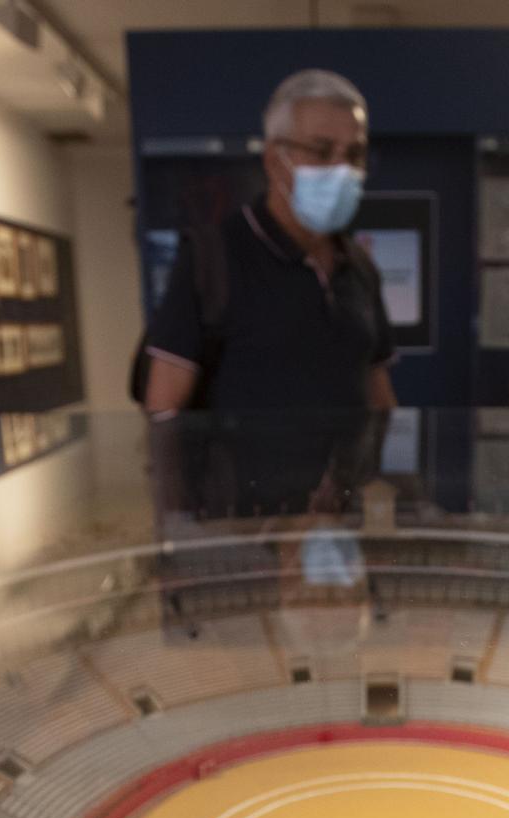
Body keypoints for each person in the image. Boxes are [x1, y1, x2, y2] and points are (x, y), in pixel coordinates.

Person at [141, 69, 394, 519]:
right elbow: (164, 407)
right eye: (321, 150)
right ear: (276, 159)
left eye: (353, 154)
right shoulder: (211, 258)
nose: (342, 168)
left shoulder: (360, 268)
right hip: (243, 524)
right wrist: (178, 528)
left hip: (339, 517)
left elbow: (379, 395)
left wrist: (377, 490)